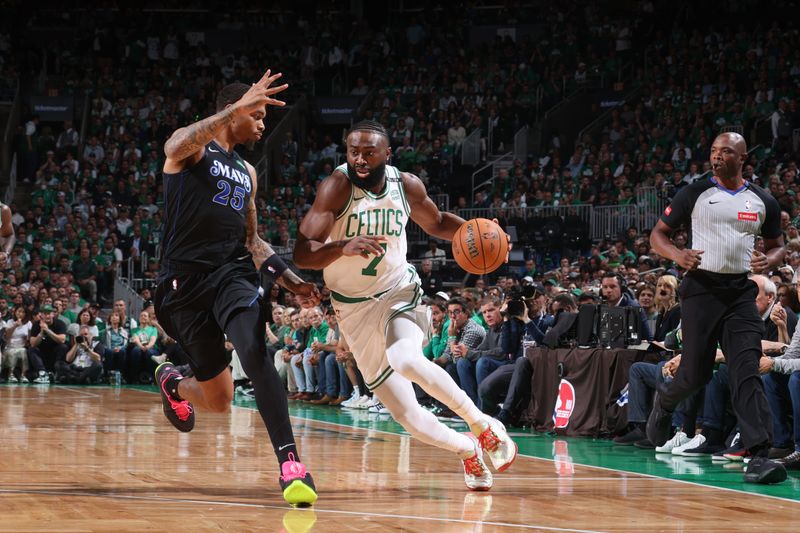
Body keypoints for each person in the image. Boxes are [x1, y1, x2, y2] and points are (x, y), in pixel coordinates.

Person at [294, 120, 517, 492]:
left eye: (369, 152)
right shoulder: (336, 187)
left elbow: (440, 222)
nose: (360, 159)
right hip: (353, 309)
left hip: (399, 291)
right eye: (353, 152)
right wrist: (340, 248)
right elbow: (303, 253)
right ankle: (467, 450)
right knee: (407, 415)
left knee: (406, 358)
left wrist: (481, 230)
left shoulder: (406, 185)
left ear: (387, 154)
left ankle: (484, 426)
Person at [153, 71, 321, 506]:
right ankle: (173, 383)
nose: (263, 124)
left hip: (232, 274)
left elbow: (253, 241)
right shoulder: (190, 149)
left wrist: (292, 280)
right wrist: (232, 107)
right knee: (220, 400)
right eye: (258, 115)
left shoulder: (247, 171)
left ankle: (291, 464)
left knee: (254, 349)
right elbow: (173, 147)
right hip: (182, 284)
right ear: (237, 111)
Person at [647, 132, 788, 484]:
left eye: (726, 152)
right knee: (695, 373)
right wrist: (679, 255)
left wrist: (767, 261)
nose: (717, 157)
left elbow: (778, 246)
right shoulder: (694, 192)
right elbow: (658, 235)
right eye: (713, 151)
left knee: (746, 368)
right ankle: (665, 402)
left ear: (742, 159)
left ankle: (759, 455)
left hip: (741, 292)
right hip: (700, 290)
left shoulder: (762, 200)